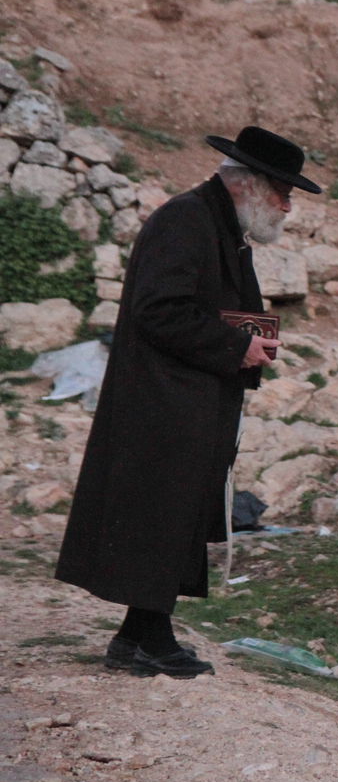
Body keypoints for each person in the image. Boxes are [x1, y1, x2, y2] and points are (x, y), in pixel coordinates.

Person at [55, 126, 321, 679]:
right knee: (161, 518)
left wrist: (250, 339)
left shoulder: (220, 224)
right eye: (284, 193)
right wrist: (236, 345)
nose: (289, 207)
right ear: (249, 185)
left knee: (171, 521)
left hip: (188, 400)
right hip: (162, 402)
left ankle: (138, 636)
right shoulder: (186, 220)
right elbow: (159, 310)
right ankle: (149, 638)